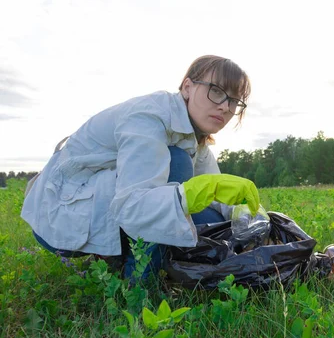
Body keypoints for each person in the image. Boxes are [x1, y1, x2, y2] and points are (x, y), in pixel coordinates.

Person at [21, 55, 260, 279]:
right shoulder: (148, 117)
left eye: (234, 101)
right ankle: (139, 283)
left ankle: (118, 257)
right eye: (216, 91)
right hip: (60, 213)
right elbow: (132, 205)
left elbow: (216, 193)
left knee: (212, 217)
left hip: (100, 203)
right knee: (177, 163)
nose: (225, 107)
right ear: (187, 87)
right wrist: (190, 194)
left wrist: (250, 216)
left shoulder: (194, 137)